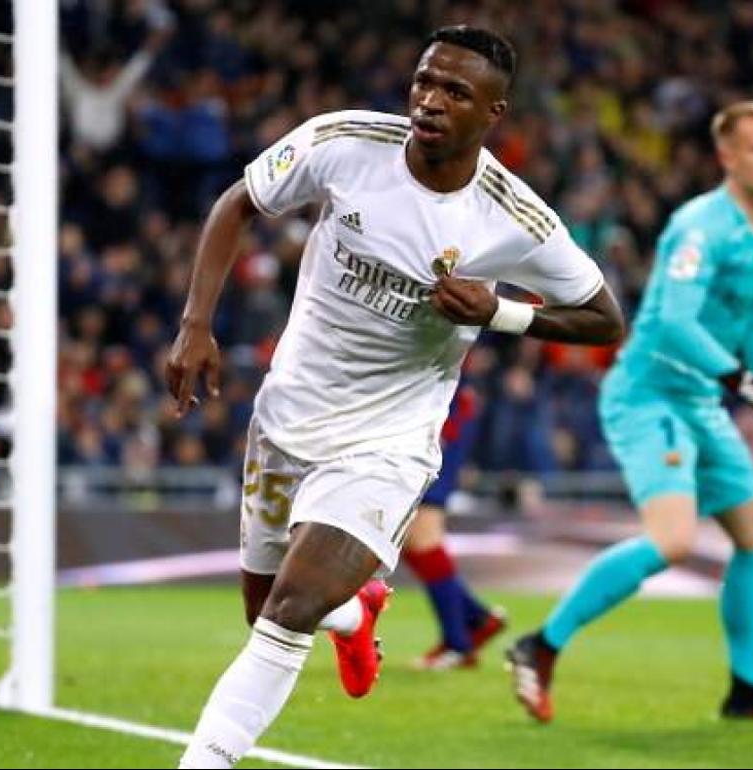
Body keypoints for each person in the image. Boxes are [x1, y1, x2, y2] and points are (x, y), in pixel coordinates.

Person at [166, 26, 624, 767]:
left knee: (286, 614)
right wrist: (195, 325)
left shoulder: (513, 218)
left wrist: (500, 312)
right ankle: (354, 615)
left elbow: (606, 318)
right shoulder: (345, 143)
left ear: (493, 113)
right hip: (288, 417)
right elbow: (236, 203)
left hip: (388, 441)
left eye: (455, 92)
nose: (430, 101)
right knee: (270, 612)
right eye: (424, 81)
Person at [507, 101, 753, 723]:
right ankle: (539, 645)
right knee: (674, 540)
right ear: (727, 158)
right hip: (648, 395)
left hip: (701, 401)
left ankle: (747, 690)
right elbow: (676, 323)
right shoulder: (699, 226)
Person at [402, 382, 507, 670]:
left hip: (437, 406)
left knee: (422, 534)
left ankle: (458, 643)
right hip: (421, 403)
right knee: (409, 540)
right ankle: (476, 618)